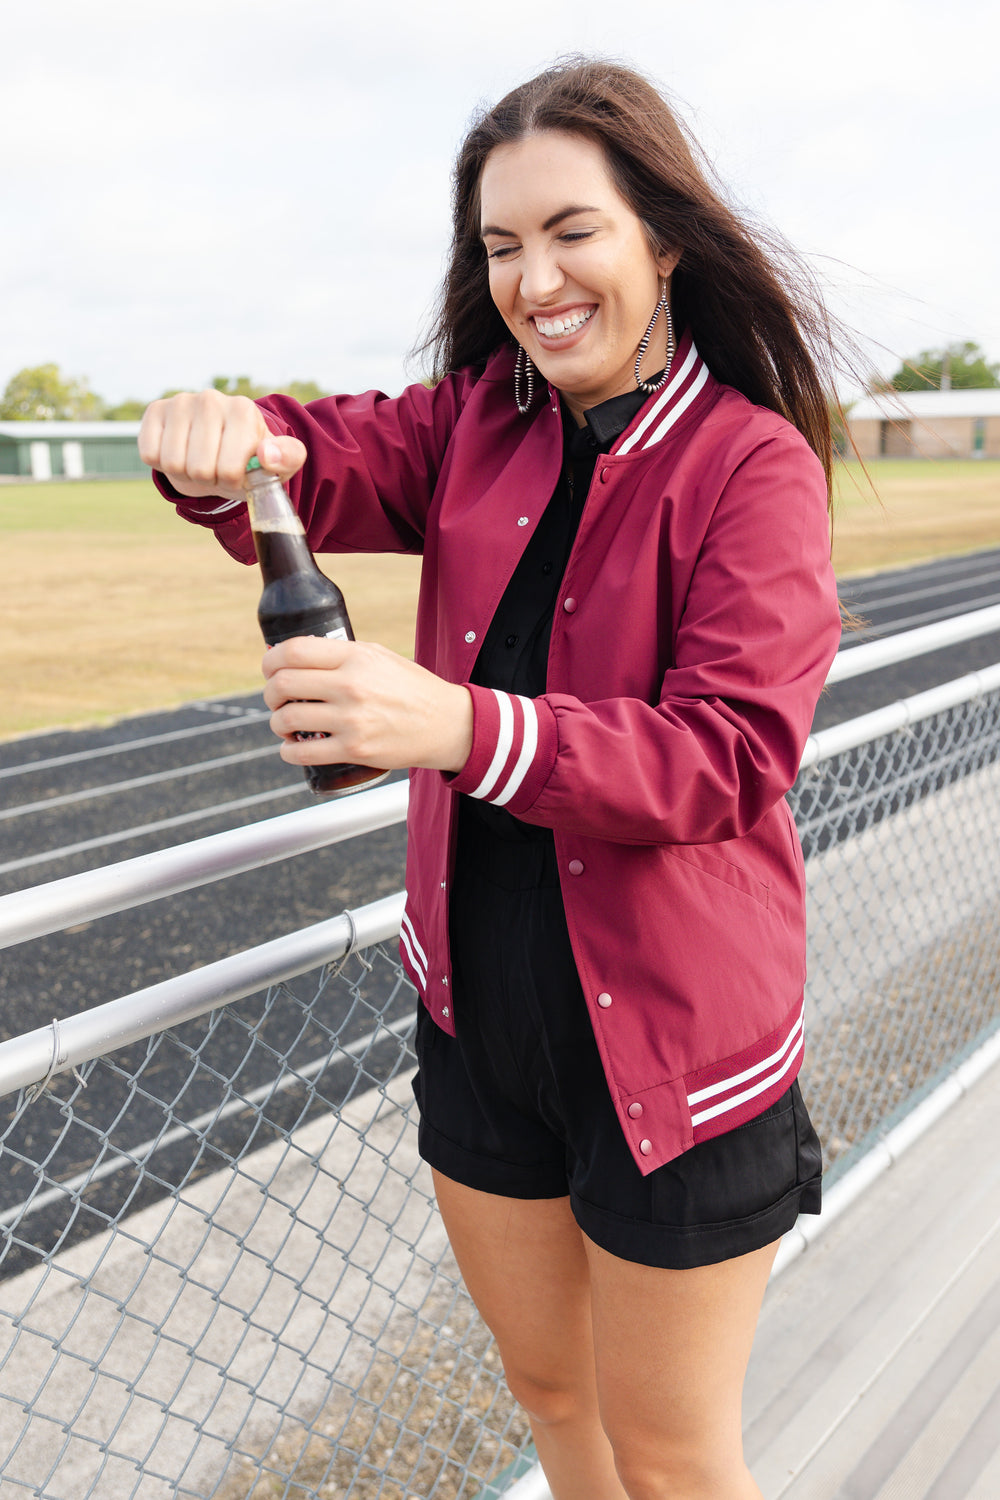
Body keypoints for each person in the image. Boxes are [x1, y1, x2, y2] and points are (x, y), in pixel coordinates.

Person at [139, 58, 842, 1500]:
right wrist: (230, 442)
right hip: (481, 1023)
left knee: (673, 1454)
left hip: (676, 1053)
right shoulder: (477, 421)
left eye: (571, 230)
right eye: (501, 246)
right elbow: (309, 454)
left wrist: (458, 726)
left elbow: (728, 758)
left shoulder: (750, 466)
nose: (534, 276)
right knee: (547, 1394)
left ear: (662, 237)